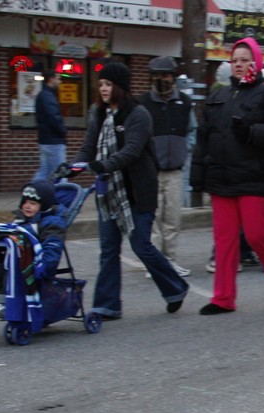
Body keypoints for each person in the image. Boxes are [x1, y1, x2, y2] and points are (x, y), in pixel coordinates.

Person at [190, 38, 264, 314]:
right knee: (224, 240)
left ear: (256, 62)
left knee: (258, 235)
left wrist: (251, 133)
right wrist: (198, 176)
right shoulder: (218, 97)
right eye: (234, 60)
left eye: (244, 60)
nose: (238, 65)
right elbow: (203, 139)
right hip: (222, 178)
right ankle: (223, 298)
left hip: (257, 178)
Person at [73, 61, 188, 318]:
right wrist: (73, 167)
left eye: (109, 84)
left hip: (138, 190)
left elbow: (131, 151)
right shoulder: (99, 113)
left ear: (120, 87)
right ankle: (107, 305)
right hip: (109, 193)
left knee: (141, 246)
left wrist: (102, 165)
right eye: (101, 84)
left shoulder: (138, 114)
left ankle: (175, 288)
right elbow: (88, 147)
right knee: (108, 248)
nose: (103, 89)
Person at [0, 180, 67, 319]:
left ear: (44, 206)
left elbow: (52, 249)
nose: (27, 206)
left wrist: (43, 267)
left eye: (33, 203)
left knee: (11, 274)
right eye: (25, 202)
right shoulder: (19, 222)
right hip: (15, 262)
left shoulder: (53, 224)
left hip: (36, 267)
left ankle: (5, 305)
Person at [140, 56, 195, 277]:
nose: (162, 79)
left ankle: (170, 260)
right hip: (151, 170)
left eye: (166, 75)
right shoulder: (143, 103)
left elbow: (192, 130)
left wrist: (186, 150)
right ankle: (154, 263)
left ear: (173, 77)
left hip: (175, 170)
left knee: (172, 218)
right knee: (154, 218)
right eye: (157, 76)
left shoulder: (184, 102)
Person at [33, 70, 67, 181]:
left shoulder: (43, 95)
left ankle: (32, 192)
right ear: (51, 79)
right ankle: (63, 195)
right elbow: (54, 117)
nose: (59, 81)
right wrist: (63, 131)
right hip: (54, 140)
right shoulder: (48, 96)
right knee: (61, 173)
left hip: (45, 139)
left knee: (44, 171)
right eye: (58, 78)